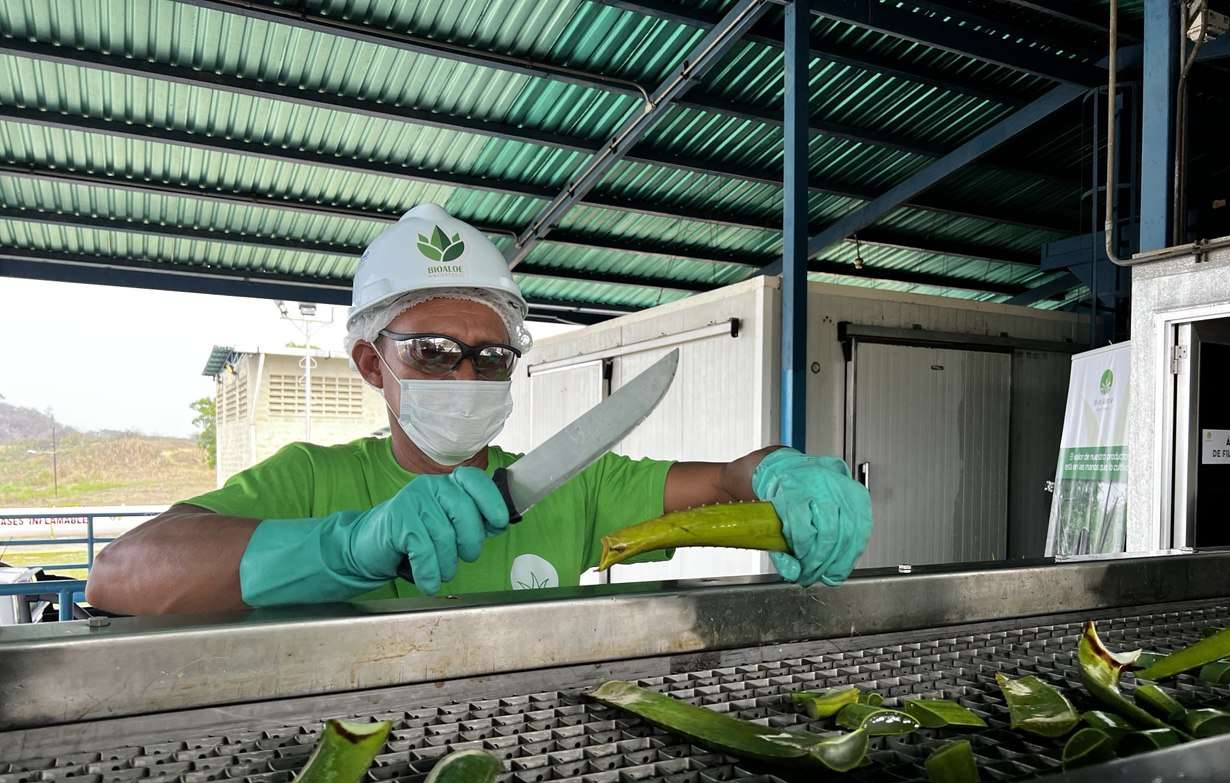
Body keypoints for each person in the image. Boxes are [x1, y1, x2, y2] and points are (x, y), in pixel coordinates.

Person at [86, 204, 872, 616]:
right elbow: (118, 575)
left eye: (492, 356)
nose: (465, 373)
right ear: (372, 363)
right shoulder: (311, 482)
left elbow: (728, 482)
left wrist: (780, 471)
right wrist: (349, 546)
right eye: (432, 350)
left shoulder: (572, 486)